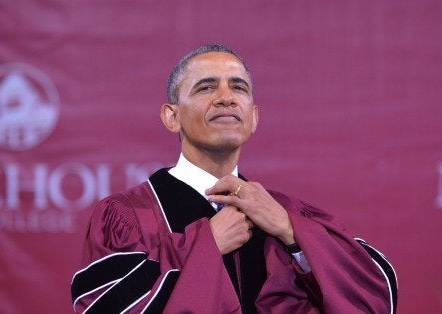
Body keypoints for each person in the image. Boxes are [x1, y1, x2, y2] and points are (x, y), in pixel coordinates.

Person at [71, 44, 397, 313]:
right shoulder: (128, 214)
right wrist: (205, 244)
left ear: (253, 117)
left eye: (238, 87)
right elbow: (104, 306)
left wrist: (290, 231)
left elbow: (375, 297)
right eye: (206, 87)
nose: (226, 97)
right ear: (172, 117)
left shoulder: (285, 215)